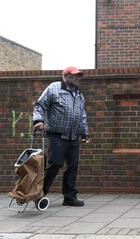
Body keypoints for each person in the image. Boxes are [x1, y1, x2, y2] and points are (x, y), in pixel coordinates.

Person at [33, 66, 90, 207]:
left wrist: (84, 133)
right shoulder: (54, 88)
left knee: (72, 166)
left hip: (73, 136)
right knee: (55, 164)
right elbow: (40, 105)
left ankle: (69, 197)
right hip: (56, 135)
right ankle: (39, 193)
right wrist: (38, 120)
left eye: (79, 76)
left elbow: (82, 115)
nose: (78, 78)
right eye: (75, 75)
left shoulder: (79, 95)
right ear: (66, 76)